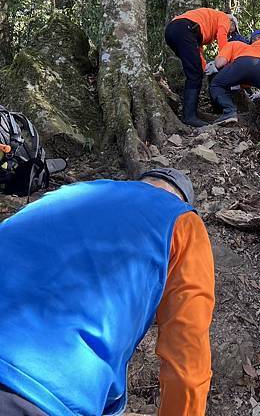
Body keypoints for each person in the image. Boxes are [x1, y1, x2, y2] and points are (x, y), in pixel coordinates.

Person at [0, 168, 215, 416]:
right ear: (181, 200)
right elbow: (187, 367)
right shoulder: (183, 222)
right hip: (42, 390)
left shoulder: (71, 193)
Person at [165, 7, 233, 127]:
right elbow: (222, 36)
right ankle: (189, 117)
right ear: (231, 22)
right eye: (232, 30)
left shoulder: (206, 21)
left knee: (195, 71)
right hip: (184, 29)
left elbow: (197, 49)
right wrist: (225, 58)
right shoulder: (225, 18)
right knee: (194, 75)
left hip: (173, 30)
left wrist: (204, 67)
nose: (231, 33)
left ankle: (190, 113)